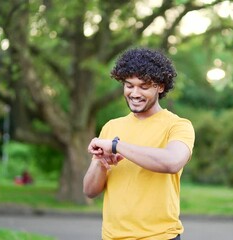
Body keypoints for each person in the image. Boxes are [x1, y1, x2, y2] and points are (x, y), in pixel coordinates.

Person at [83, 47, 195, 240]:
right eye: (129, 85)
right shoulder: (111, 127)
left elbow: (172, 162)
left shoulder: (178, 126)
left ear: (160, 87)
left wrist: (117, 146)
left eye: (144, 87)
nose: (134, 93)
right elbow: (90, 191)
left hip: (159, 236)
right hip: (112, 237)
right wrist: (99, 162)